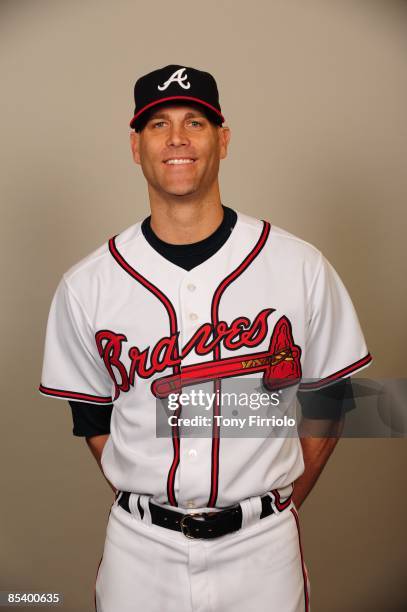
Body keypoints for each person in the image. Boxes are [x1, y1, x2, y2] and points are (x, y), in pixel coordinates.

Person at [39, 64, 372, 612]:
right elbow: (92, 420)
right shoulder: (88, 283)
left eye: (195, 122)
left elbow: (331, 402)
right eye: (157, 125)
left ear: (223, 139)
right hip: (138, 551)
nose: (176, 139)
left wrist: (274, 504)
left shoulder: (298, 266)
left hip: (264, 549)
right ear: (135, 146)